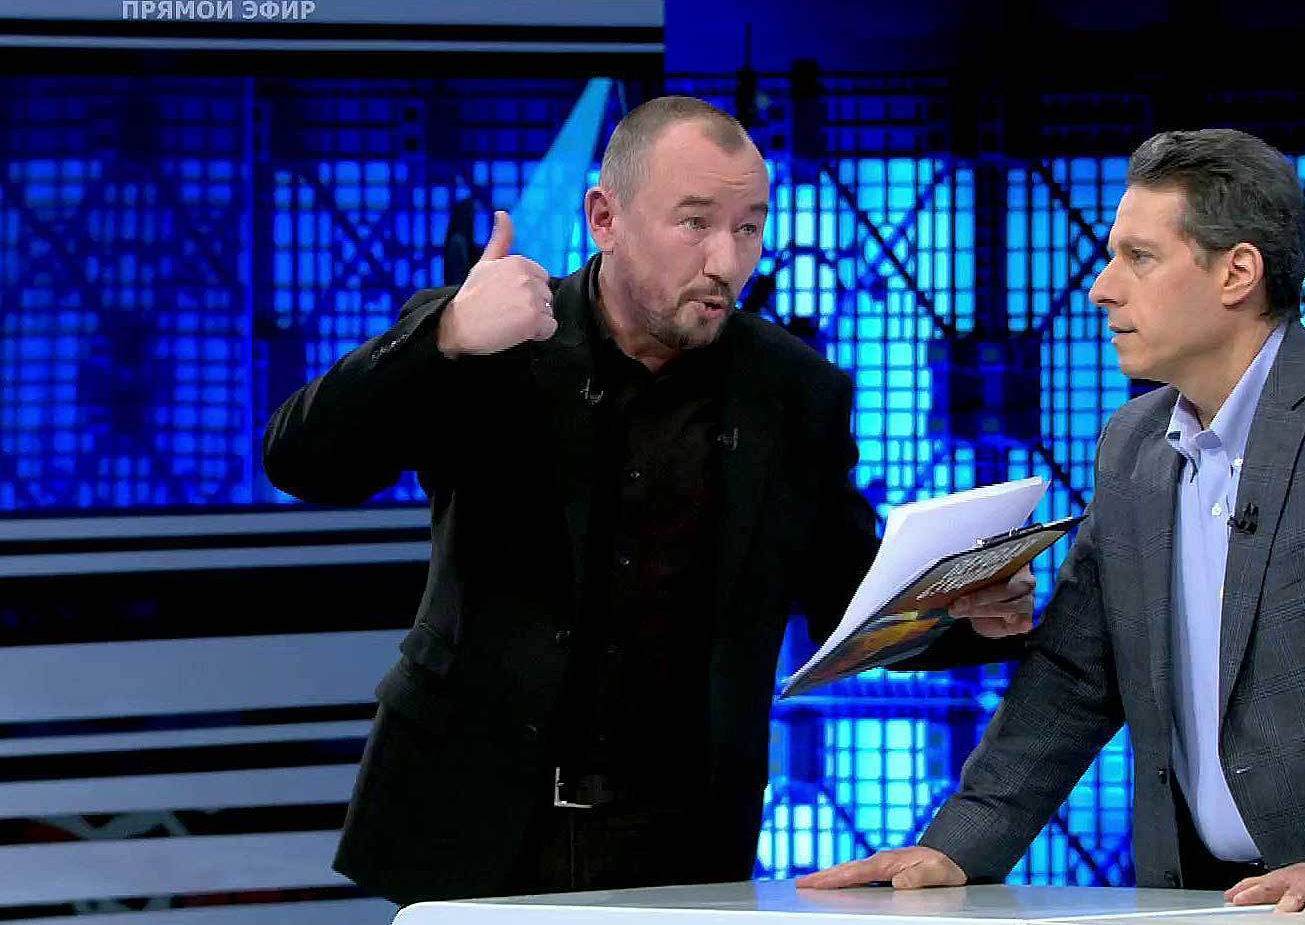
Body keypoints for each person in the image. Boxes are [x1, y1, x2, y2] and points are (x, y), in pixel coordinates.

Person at [262, 96, 1035, 906]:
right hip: (469, 817)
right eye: (694, 223)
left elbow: (844, 601)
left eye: (748, 227)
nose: (726, 260)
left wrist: (961, 611)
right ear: (605, 218)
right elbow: (305, 465)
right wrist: (445, 336)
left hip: (681, 839)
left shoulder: (794, 392)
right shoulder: (490, 337)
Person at [796, 128, 1305, 911]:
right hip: (1215, 896)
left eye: (1139, 258)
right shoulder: (1132, 445)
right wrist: (957, 845)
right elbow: (1073, 673)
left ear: (1237, 273)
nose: (1101, 288)